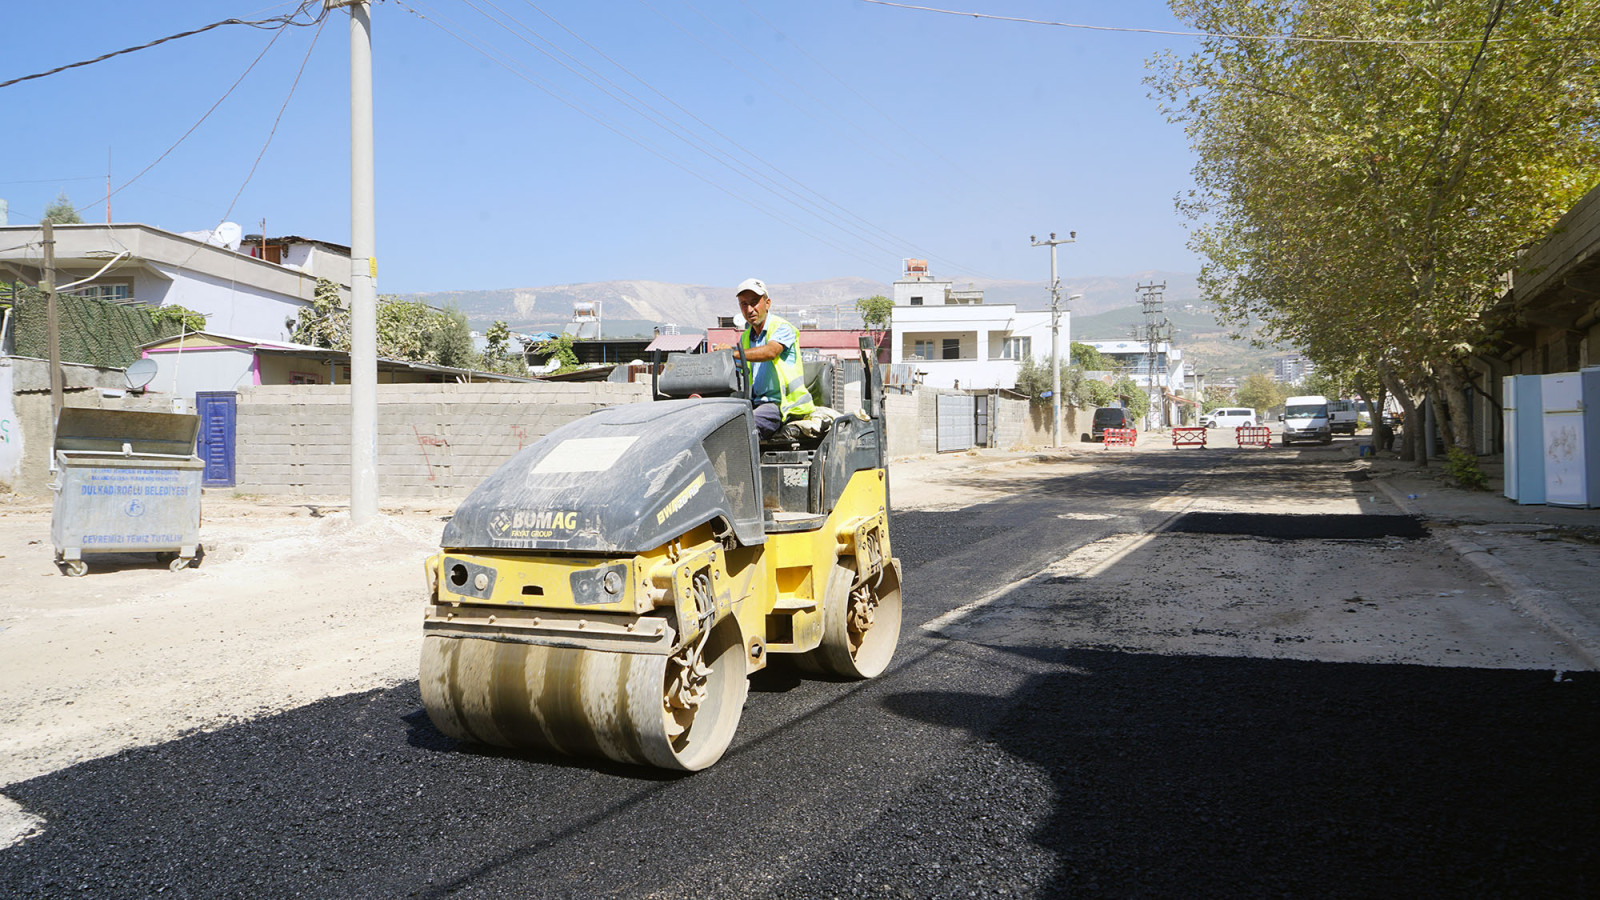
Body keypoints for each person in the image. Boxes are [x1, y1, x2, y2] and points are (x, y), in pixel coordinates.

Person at [713, 277, 814, 439]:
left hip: (782, 405)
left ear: (767, 303)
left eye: (754, 302)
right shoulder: (745, 337)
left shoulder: (783, 328)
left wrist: (732, 353)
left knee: (744, 428)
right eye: (744, 304)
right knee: (717, 424)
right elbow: (737, 370)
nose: (749, 309)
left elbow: (771, 352)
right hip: (756, 402)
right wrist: (720, 358)